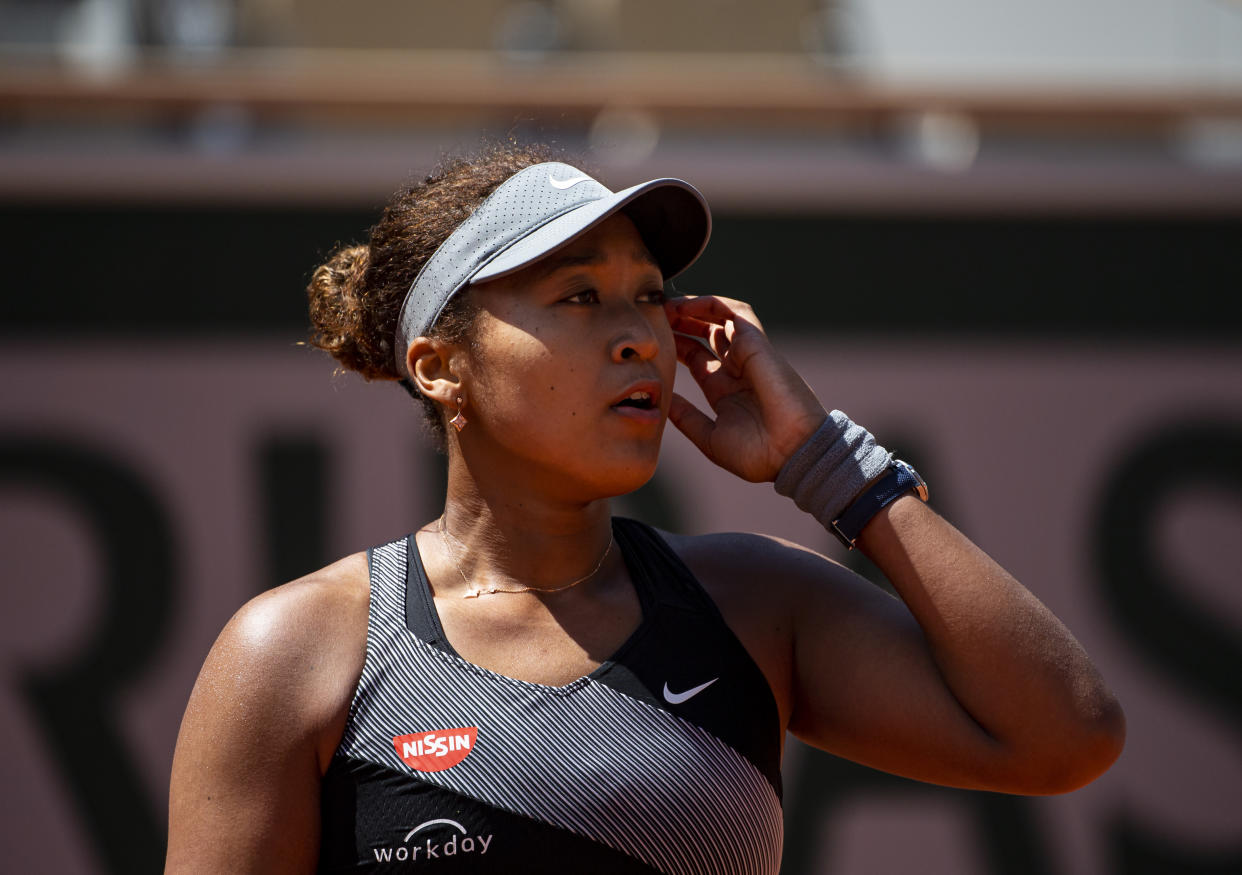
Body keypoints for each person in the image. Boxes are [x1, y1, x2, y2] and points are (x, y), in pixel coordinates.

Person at [165, 143, 1125, 874]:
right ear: (440, 366)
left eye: (650, 295)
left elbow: (1066, 734)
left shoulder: (754, 603)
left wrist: (830, 466)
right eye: (579, 296)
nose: (637, 336)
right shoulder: (296, 650)